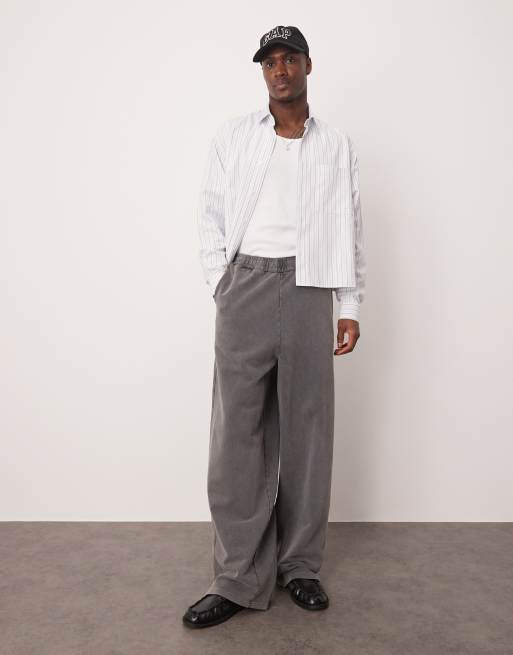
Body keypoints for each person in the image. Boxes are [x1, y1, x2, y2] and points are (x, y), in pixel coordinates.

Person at [183, 25, 366, 629]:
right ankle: (237, 575)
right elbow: (209, 213)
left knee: (309, 431)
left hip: (312, 285)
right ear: (262, 73)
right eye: (270, 63)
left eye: (289, 59)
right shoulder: (235, 136)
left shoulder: (335, 145)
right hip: (246, 284)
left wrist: (349, 304)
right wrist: (223, 282)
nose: (280, 70)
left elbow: (351, 226)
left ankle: (300, 566)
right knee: (237, 433)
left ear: (308, 65)